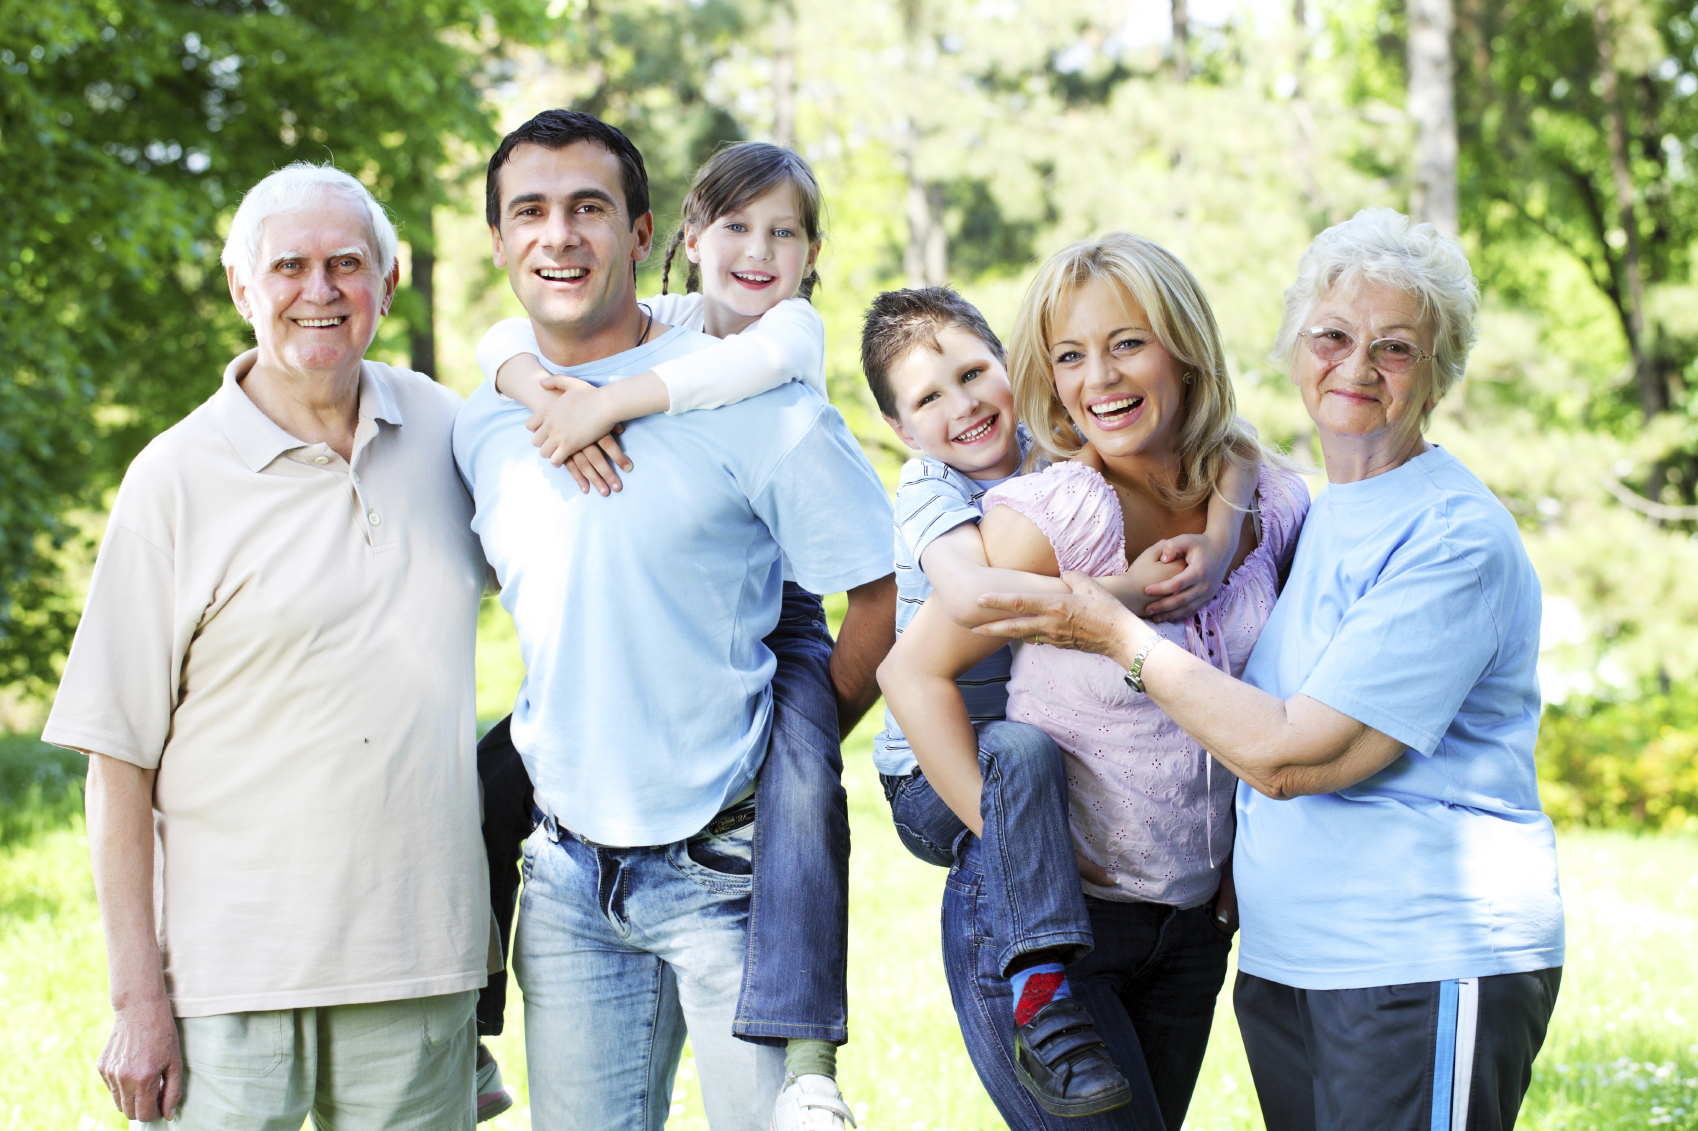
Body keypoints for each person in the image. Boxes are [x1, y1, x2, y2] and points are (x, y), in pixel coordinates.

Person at [974, 208, 1565, 1131]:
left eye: (1395, 347)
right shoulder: (1318, 513)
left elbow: (1297, 757)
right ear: (1297, 351)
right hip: (1292, 962)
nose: (1357, 366)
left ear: (1439, 371)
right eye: (1331, 336)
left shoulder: (1451, 536)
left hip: (1420, 955)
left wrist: (1116, 629)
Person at [453, 109, 896, 1131]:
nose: (558, 235)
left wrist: (791, 742)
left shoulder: (759, 395)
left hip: (727, 875)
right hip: (562, 879)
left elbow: (881, 592)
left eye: (589, 209)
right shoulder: (484, 419)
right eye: (531, 211)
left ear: (645, 232)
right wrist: (530, 380)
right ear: (499, 241)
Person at [44, 162, 492, 1129]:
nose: (320, 291)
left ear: (389, 280)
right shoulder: (172, 478)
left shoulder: (452, 433)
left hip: (417, 966)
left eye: (348, 263)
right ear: (243, 287)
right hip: (226, 988)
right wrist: (137, 1003)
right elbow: (115, 760)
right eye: (289, 266)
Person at [881, 233, 1309, 1131]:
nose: (1099, 378)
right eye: (1071, 355)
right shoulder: (1052, 515)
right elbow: (910, 670)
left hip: (1192, 930)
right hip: (1055, 934)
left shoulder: (1267, 499)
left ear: (1184, 346)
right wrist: (1006, 844)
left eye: (1126, 343)